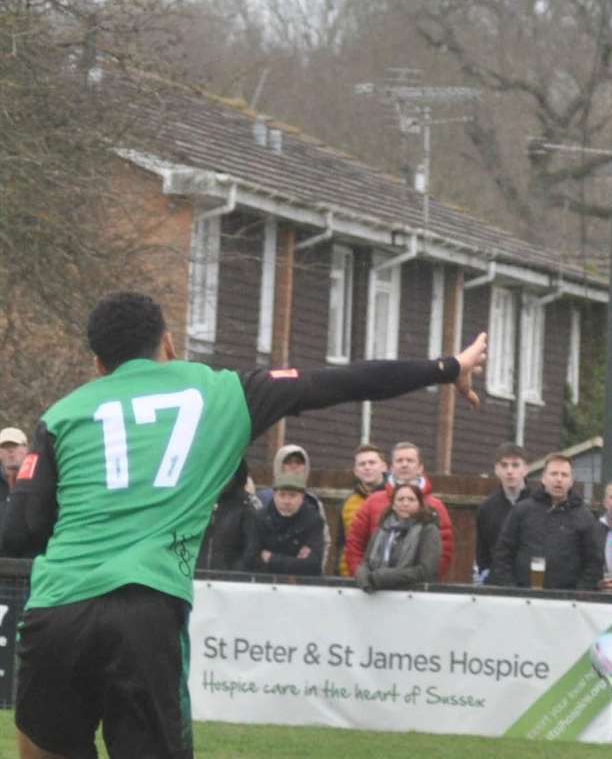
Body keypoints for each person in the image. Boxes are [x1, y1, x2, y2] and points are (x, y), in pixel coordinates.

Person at [0, 290, 486, 759]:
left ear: (98, 365)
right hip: (143, 609)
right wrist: (448, 368)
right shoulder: (225, 391)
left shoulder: (62, 414)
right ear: (167, 342)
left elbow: (23, 527)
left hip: (56, 612)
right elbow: (344, 382)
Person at [488, 453, 603, 592]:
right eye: (554, 474)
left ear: (571, 481)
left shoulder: (584, 517)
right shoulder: (522, 511)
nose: (559, 479)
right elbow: (503, 553)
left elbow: (594, 562)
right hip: (523, 598)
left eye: (564, 475)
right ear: (543, 478)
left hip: (568, 603)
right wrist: (511, 590)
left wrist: (578, 594)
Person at [344, 440, 454, 579]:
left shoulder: (435, 506)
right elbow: (354, 543)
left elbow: (444, 552)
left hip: (416, 591)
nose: (404, 464)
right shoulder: (373, 502)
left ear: (420, 467)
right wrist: (361, 576)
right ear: (391, 467)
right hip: (374, 589)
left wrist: (423, 582)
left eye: (410, 460)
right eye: (399, 460)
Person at [255, 443, 332, 574]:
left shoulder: (314, 503)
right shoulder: (261, 499)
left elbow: (322, 545)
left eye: (299, 462)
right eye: (288, 462)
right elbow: (255, 552)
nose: (294, 466)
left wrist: (273, 559)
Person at [355, 481, 442, 593]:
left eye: (411, 499)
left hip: (413, 596)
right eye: (400, 499)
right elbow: (366, 562)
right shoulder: (382, 528)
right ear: (393, 505)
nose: (405, 504)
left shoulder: (428, 530)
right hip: (377, 594)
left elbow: (426, 571)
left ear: (420, 504)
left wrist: (388, 577)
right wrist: (363, 575)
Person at [250, 469, 324, 575]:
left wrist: (271, 558)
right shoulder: (260, 518)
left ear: (302, 497)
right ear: (274, 495)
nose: (287, 501)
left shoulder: (313, 520)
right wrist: (296, 562)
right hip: (266, 583)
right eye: (282, 495)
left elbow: (313, 565)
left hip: (302, 585)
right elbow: (252, 560)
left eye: (292, 495)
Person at [474, 442, 527, 584]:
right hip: (497, 584)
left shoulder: (538, 504)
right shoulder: (487, 508)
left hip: (530, 583)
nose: (510, 471)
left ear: (525, 469)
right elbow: (482, 553)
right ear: (496, 469)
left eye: (515, 465)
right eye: (504, 465)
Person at [196, 461, 257, 572]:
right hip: (195, 579)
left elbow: (251, 550)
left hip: (228, 583)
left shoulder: (245, 507)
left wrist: (232, 575)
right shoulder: (199, 503)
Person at [336, 443, 387, 577]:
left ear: (384, 467)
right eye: (362, 464)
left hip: (384, 579)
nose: (367, 467)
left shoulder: (395, 498)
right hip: (351, 578)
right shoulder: (348, 503)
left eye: (372, 462)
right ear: (356, 471)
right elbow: (342, 545)